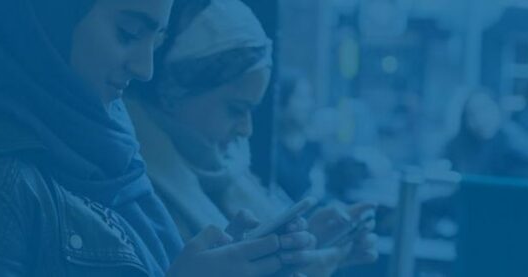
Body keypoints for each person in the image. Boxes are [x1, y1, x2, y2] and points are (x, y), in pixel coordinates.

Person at [0, 0, 314, 276]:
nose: (146, 67)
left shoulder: (101, 140)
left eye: (157, 40)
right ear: (49, 15)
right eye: (129, 33)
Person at [123, 0, 378, 275]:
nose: (246, 129)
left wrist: (308, 246)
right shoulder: (129, 185)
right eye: (235, 109)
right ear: (175, 92)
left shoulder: (233, 171)